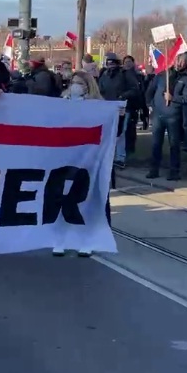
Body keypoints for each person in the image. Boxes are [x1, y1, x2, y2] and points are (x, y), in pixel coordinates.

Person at [54, 70, 103, 257]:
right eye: (73, 82)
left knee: (84, 200)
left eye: (80, 83)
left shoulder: (97, 105)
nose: (75, 86)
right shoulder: (62, 102)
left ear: (88, 86)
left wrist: (119, 115)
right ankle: (60, 239)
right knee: (60, 198)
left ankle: (86, 240)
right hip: (65, 157)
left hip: (87, 159)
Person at [145, 53, 187, 181]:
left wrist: (174, 98)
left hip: (174, 117)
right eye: (178, 60)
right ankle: (153, 169)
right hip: (158, 115)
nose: (179, 63)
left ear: (186, 63)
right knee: (156, 144)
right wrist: (149, 104)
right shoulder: (162, 76)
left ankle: (174, 172)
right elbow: (150, 90)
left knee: (174, 145)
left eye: (183, 61)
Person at [98, 52, 139, 169]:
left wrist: (122, 96)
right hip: (107, 107)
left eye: (112, 63)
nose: (110, 65)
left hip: (121, 108)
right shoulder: (104, 75)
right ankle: (109, 157)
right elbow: (100, 89)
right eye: (108, 63)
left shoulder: (125, 74)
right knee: (108, 133)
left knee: (121, 133)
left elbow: (134, 89)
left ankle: (120, 158)